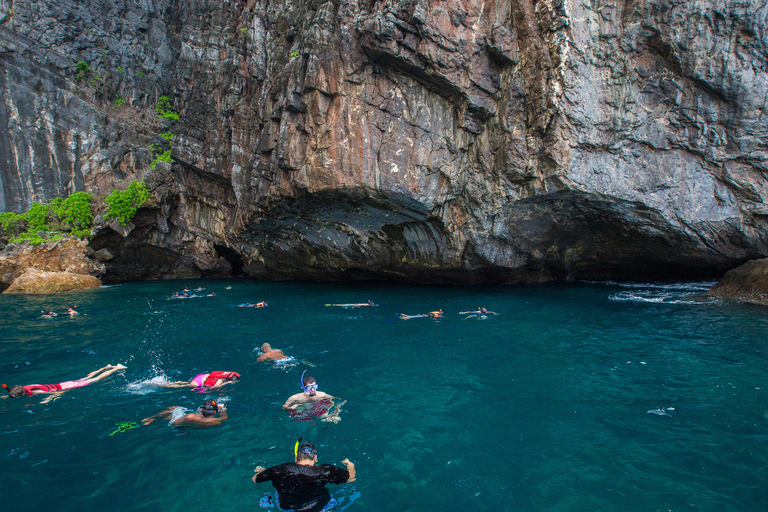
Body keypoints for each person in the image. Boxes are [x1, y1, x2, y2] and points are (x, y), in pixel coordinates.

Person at [252, 440, 355, 512]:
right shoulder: (325, 471)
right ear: (315, 458)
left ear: (296, 458)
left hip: (287, 507)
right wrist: (350, 465)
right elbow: (351, 478)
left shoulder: (279, 470)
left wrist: (263, 472)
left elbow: (255, 479)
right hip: (318, 506)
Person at [3, 364, 127, 399]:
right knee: (85, 377)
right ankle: (106, 366)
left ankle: (116, 367)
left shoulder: (36, 391)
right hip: (62, 383)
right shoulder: (25, 387)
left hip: (64, 387)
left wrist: (48, 400)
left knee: (96, 379)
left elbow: (56, 393)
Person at [142, 399, 228, 428]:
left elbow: (191, 417)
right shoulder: (214, 421)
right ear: (214, 411)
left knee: (174, 408)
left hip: (174, 424)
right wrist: (223, 411)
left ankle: (151, 419)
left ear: (202, 410)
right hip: (186, 426)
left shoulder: (191, 416)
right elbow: (223, 418)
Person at [160, 371, 241, 389]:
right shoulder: (221, 380)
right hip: (198, 382)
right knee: (184, 386)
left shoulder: (226, 373)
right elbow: (213, 387)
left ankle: (174, 382)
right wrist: (226, 383)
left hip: (201, 376)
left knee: (185, 382)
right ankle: (164, 385)